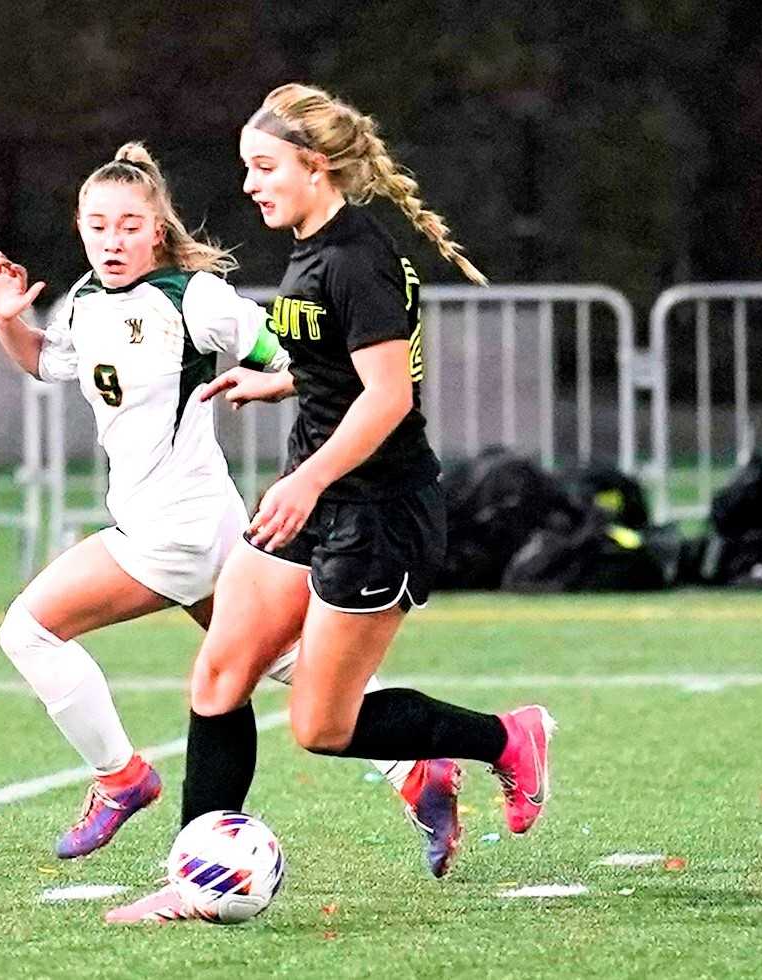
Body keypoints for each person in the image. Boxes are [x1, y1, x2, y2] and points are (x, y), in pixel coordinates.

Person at [107, 85, 555, 924]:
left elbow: (388, 397)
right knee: (219, 675)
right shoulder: (312, 248)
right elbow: (341, 368)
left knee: (322, 726)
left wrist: (308, 477)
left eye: (265, 167)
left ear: (317, 167)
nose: (249, 184)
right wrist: (283, 382)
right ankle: (193, 877)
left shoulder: (358, 258)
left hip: (378, 514)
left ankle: (505, 738)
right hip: (314, 497)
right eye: (247, 167)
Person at [0, 142, 438, 864]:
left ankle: (121, 778)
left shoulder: (192, 298)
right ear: (79, 228)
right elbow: (48, 362)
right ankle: (416, 767)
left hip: (174, 530)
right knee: (270, 661)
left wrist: (286, 389)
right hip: (199, 518)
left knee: (29, 631)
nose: (112, 239)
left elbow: (293, 357)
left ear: (158, 228)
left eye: (130, 224)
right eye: (98, 224)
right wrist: (7, 320)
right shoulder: (87, 300)